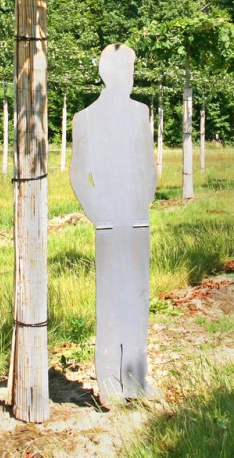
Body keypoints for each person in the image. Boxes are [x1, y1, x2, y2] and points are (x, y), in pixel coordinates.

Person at [70, 44, 157, 405]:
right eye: (127, 68)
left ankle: (136, 380)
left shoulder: (141, 113)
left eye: (132, 69)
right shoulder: (85, 118)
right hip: (109, 223)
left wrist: (143, 201)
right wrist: (99, 213)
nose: (132, 75)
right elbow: (79, 173)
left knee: (136, 300)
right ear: (109, 73)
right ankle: (108, 384)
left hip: (137, 220)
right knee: (110, 302)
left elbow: (147, 163)